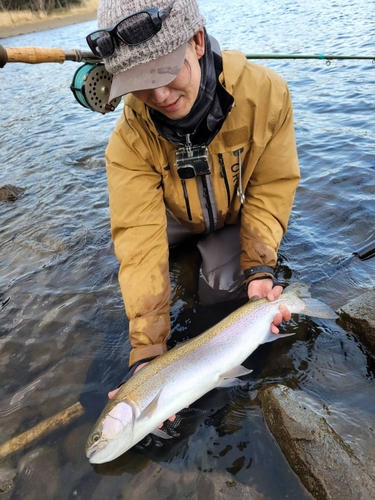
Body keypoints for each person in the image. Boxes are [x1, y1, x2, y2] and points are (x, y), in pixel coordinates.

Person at [85, 0, 300, 394]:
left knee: (221, 289)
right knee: (123, 265)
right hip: (171, 219)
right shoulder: (128, 140)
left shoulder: (266, 93)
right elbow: (138, 240)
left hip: (231, 217)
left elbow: (271, 189)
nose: (160, 94)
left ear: (197, 41)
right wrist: (148, 354)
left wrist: (259, 269)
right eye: (141, 84)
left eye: (167, 72)